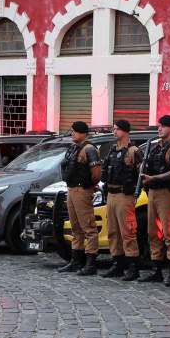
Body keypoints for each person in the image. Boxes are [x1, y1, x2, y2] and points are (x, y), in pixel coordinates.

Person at [138, 115, 170, 286]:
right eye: (159, 126)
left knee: (169, 233)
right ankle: (156, 269)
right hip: (152, 192)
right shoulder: (156, 146)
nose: (160, 129)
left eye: (164, 126)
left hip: (166, 192)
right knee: (153, 233)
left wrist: (154, 178)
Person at [57, 121, 102, 275]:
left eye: (75, 131)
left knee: (88, 227)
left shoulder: (89, 149)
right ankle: (76, 261)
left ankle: (91, 263)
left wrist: (90, 185)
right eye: (71, 131)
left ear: (83, 133)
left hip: (82, 190)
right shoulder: (73, 149)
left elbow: (96, 173)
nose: (72, 133)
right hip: (72, 189)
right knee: (76, 227)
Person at [100, 119, 144, 281]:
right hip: (111, 194)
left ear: (126, 131)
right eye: (114, 129)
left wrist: (136, 192)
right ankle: (117, 263)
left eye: (118, 129)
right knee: (112, 231)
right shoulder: (112, 150)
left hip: (124, 195)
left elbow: (142, 174)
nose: (115, 131)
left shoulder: (134, 151)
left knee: (128, 231)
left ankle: (133, 267)